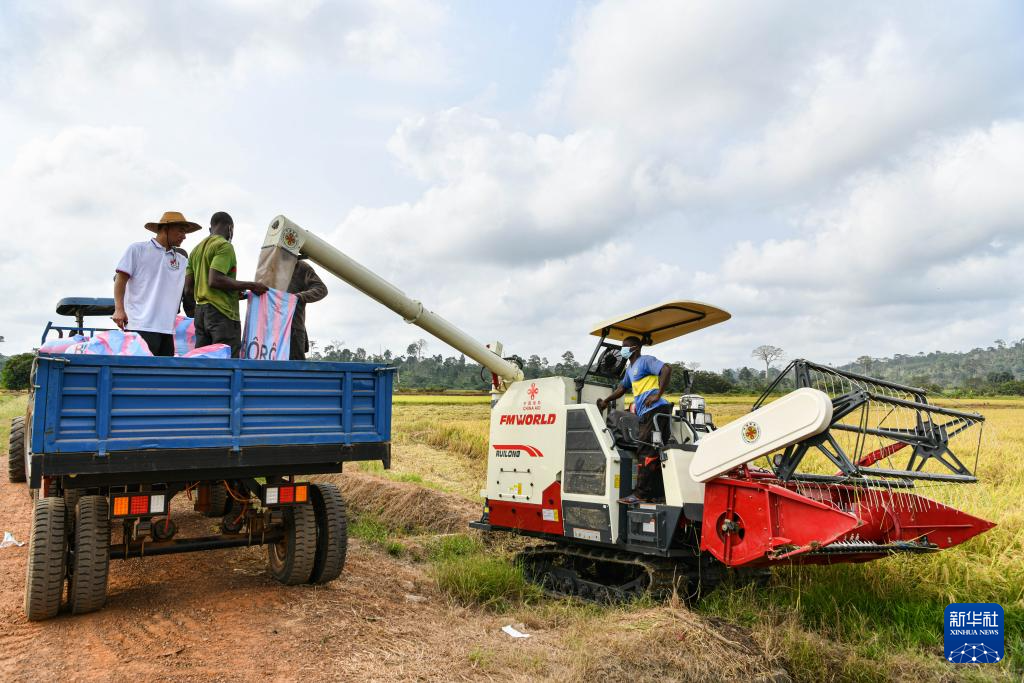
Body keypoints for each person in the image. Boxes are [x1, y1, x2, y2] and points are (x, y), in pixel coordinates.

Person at [113, 211, 202, 356]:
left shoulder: (182, 260)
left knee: (162, 376)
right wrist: (119, 309)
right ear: (165, 229)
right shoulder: (137, 250)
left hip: (167, 329)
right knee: (139, 374)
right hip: (140, 325)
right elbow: (120, 279)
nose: (184, 236)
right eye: (181, 231)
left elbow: (196, 284)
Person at [596, 336, 673, 503]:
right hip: (652, 413)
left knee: (645, 452)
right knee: (658, 452)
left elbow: (666, 369)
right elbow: (622, 388)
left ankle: (640, 495)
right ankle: (659, 494)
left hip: (655, 410)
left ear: (635, 348)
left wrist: (657, 395)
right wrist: (606, 401)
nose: (622, 350)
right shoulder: (631, 369)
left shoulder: (645, 361)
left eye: (625, 346)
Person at [184, 211, 267, 357]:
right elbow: (215, 280)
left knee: (203, 361)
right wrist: (252, 285)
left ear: (211, 228)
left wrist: (197, 315)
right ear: (230, 228)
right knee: (227, 362)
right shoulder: (224, 246)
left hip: (201, 313)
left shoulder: (195, 251)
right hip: (222, 314)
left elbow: (188, 289)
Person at [287, 258, 328, 360]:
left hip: (293, 328)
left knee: (295, 370)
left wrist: (298, 297)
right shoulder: (268, 265)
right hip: (269, 329)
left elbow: (321, 289)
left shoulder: (299, 266)